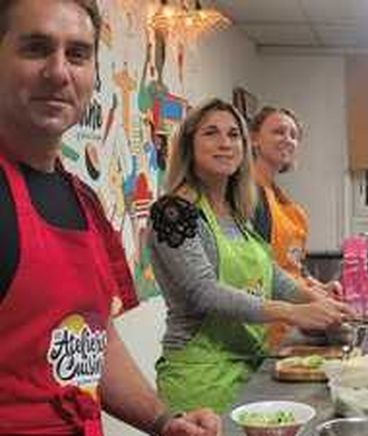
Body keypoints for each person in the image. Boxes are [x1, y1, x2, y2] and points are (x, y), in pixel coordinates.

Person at [0, 0, 219, 434]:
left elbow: (95, 339)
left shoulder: (83, 199)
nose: (59, 71)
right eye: (36, 48)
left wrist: (164, 420)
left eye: (77, 54)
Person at [149, 98, 354, 414]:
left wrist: (313, 297)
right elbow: (203, 292)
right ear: (189, 145)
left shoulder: (235, 212)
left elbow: (270, 274)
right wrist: (292, 312)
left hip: (248, 365)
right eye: (211, 133)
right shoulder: (173, 212)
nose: (225, 143)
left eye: (234, 135)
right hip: (200, 378)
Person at [249, 106, 339, 294]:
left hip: (295, 304)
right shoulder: (248, 196)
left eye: (293, 135)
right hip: (271, 308)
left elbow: (294, 265)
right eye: (278, 132)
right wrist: (309, 296)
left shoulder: (285, 204)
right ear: (254, 139)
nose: (288, 140)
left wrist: (320, 286)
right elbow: (258, 270)